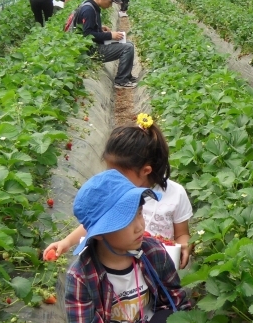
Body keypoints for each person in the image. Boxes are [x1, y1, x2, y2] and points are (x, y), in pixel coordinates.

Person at [65, 169, 201, 323]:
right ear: (101, 232)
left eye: (139, 213)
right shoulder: (81, 276)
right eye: (128, 220)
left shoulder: (151, 251)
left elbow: (175, 295)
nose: (140, 225)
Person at [45, 114, 193, 269]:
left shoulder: (176, 194)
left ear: (146, 170)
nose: (111, 178)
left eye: (118, 173)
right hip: (119, 264)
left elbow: (182, 233)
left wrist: (183, 245)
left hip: (159, 266)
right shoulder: (114, 190)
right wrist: (67, 242)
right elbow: (98, 222)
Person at [72, 0, 137, 89]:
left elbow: (88, 28)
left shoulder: (90, 5)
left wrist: (100, 28)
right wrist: (109, 35)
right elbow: (87, 34)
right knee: (127, 48)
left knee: (128, 44)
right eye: (110, 2)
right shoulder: (89, 10)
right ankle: (121, 81)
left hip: (93, 45)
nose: (110, 5)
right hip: (91, 51)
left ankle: (126, 76)